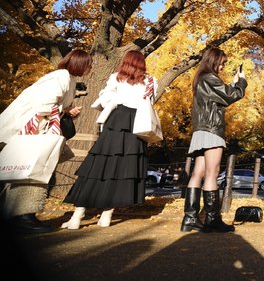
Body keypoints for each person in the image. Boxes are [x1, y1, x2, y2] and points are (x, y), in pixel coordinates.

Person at [0, 48, 92, 233]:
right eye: (88, 65)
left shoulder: (66, 78)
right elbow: (44, 106)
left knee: (25, 172)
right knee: (32, 171)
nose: (89, 69)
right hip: (30, 132)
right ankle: (23, 216)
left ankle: (21, 215)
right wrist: (63, 111)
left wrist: (67, 111)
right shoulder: (60, 78)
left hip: (29, 131)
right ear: (80, 64)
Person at [62, 50, 155, 229]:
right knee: (121, 171)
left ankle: (77, 215)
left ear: (125, 62)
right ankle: (107, 215)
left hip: (116, 121)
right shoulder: (150, 81)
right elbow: (151, 102)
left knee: (97, 167)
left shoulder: (116, 78)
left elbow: (104, 101)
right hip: (137, 125)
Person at [181, 47, 247, 233]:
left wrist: (232, 84)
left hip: (200, 131)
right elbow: (230, 96)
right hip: (211, 130)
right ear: (214, 60)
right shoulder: (209, 78)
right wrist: (241, 82)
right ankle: (212, 219)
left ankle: (190, 218)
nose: (223, 67)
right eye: (222, 63)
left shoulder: (201, 79)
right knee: (212, 172)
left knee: (197, 174)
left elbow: (221, 95)